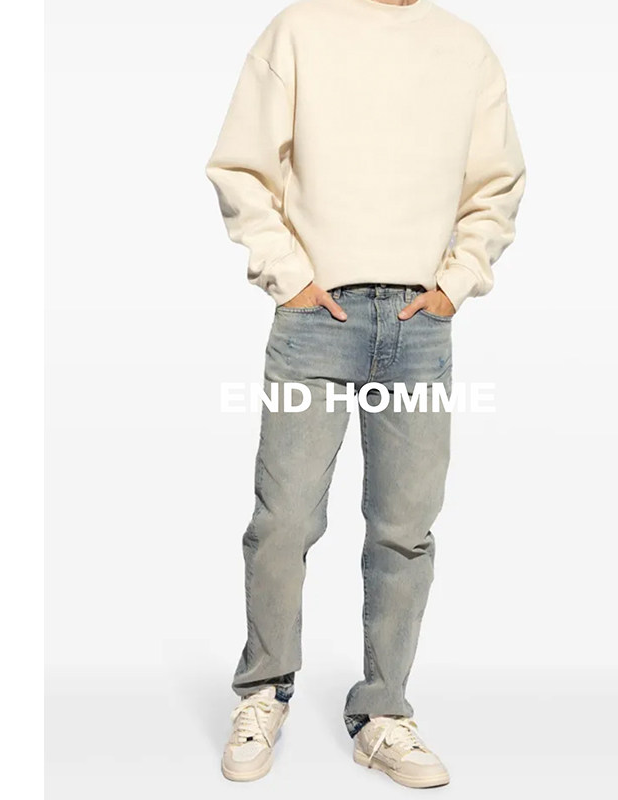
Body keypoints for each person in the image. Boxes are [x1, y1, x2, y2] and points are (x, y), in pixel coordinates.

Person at [205, 0, 525, 787]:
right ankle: (264, 691)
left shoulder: (463, 47)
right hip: (317, 319)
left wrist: (455, 284)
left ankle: (382, 714)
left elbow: (497, 183)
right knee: (283, 521)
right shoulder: (299, 30)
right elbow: (241, 167)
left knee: (404, 530)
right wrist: (290, 278)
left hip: (419, 325)